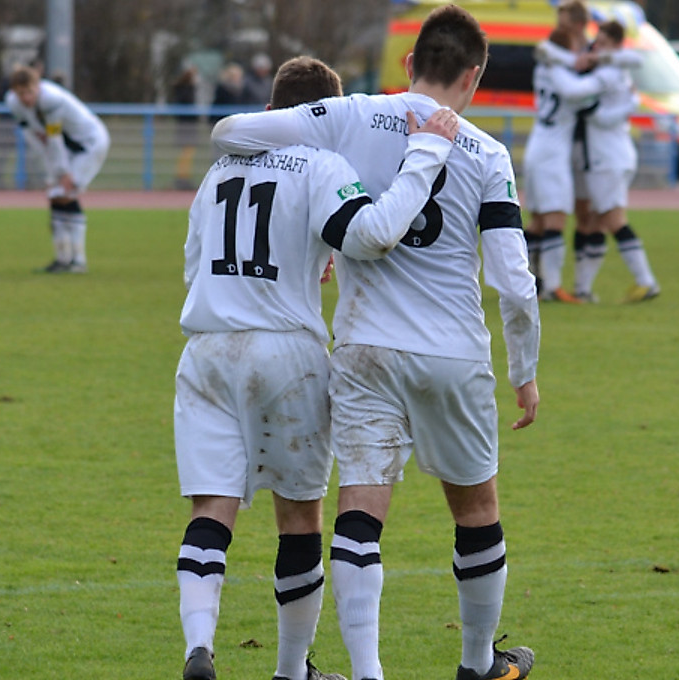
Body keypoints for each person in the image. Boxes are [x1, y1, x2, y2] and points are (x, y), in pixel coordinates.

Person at [213, 6, 540, 680]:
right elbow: (514, 281)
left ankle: (369, 672)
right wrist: (524, 370)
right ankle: (478, 663)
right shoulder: (486, 151)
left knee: (361, 513)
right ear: (473, 76)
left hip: (365, 348)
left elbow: (233, 132)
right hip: (454, 353)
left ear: (410, 63)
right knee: (477, 510)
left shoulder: (353, 115)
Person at [177, 55, 459, 680]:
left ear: (270, 110)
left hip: (206, 351)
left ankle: (199, 646)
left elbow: (197, 264)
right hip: (286, 352)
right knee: (299, 517)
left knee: (211, 509)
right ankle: (290, 670)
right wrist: (425, 155)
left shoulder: (218, 170)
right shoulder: (322, 162)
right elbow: (372, 235)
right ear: (324, 114)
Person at [570, 21, 660, 303]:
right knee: (595, 221)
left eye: (603, 43)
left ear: (616, 45)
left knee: (613, 219)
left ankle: (646, 282)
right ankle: (582, 289)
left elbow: (592, 108)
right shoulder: (620, 71)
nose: (597, 47)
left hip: (606, 158)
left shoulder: (606, 74)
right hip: (617, 154)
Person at [6, 64, 110, 273]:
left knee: (66, 194)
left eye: (29, 92)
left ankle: (78, 261)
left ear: (38, 86)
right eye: (21, 93)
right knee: (55, 195)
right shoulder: (12, 103)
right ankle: (62, 259)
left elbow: (54, 137)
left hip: (89, 145)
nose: (26, 98)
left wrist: (62, 172)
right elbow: (34, 138)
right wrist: (51, 172)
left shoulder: (51, 100)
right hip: (66, 148)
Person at [524, 25, 596, 304]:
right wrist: (604, 81)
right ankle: (552, 286)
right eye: (577, 44)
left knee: (539, 221)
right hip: (551, 153)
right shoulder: (558, 71)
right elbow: (574, 91)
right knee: (555, 218)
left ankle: (529, 279)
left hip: (538, 146)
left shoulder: (545, 67)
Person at [171, 64, 200, 191]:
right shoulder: (186, 89)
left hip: (187, 124)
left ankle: (184, 176)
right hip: (186, 125)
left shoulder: (184, 88)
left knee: (188, 152)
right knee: (186, 152)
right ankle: (182, 178)